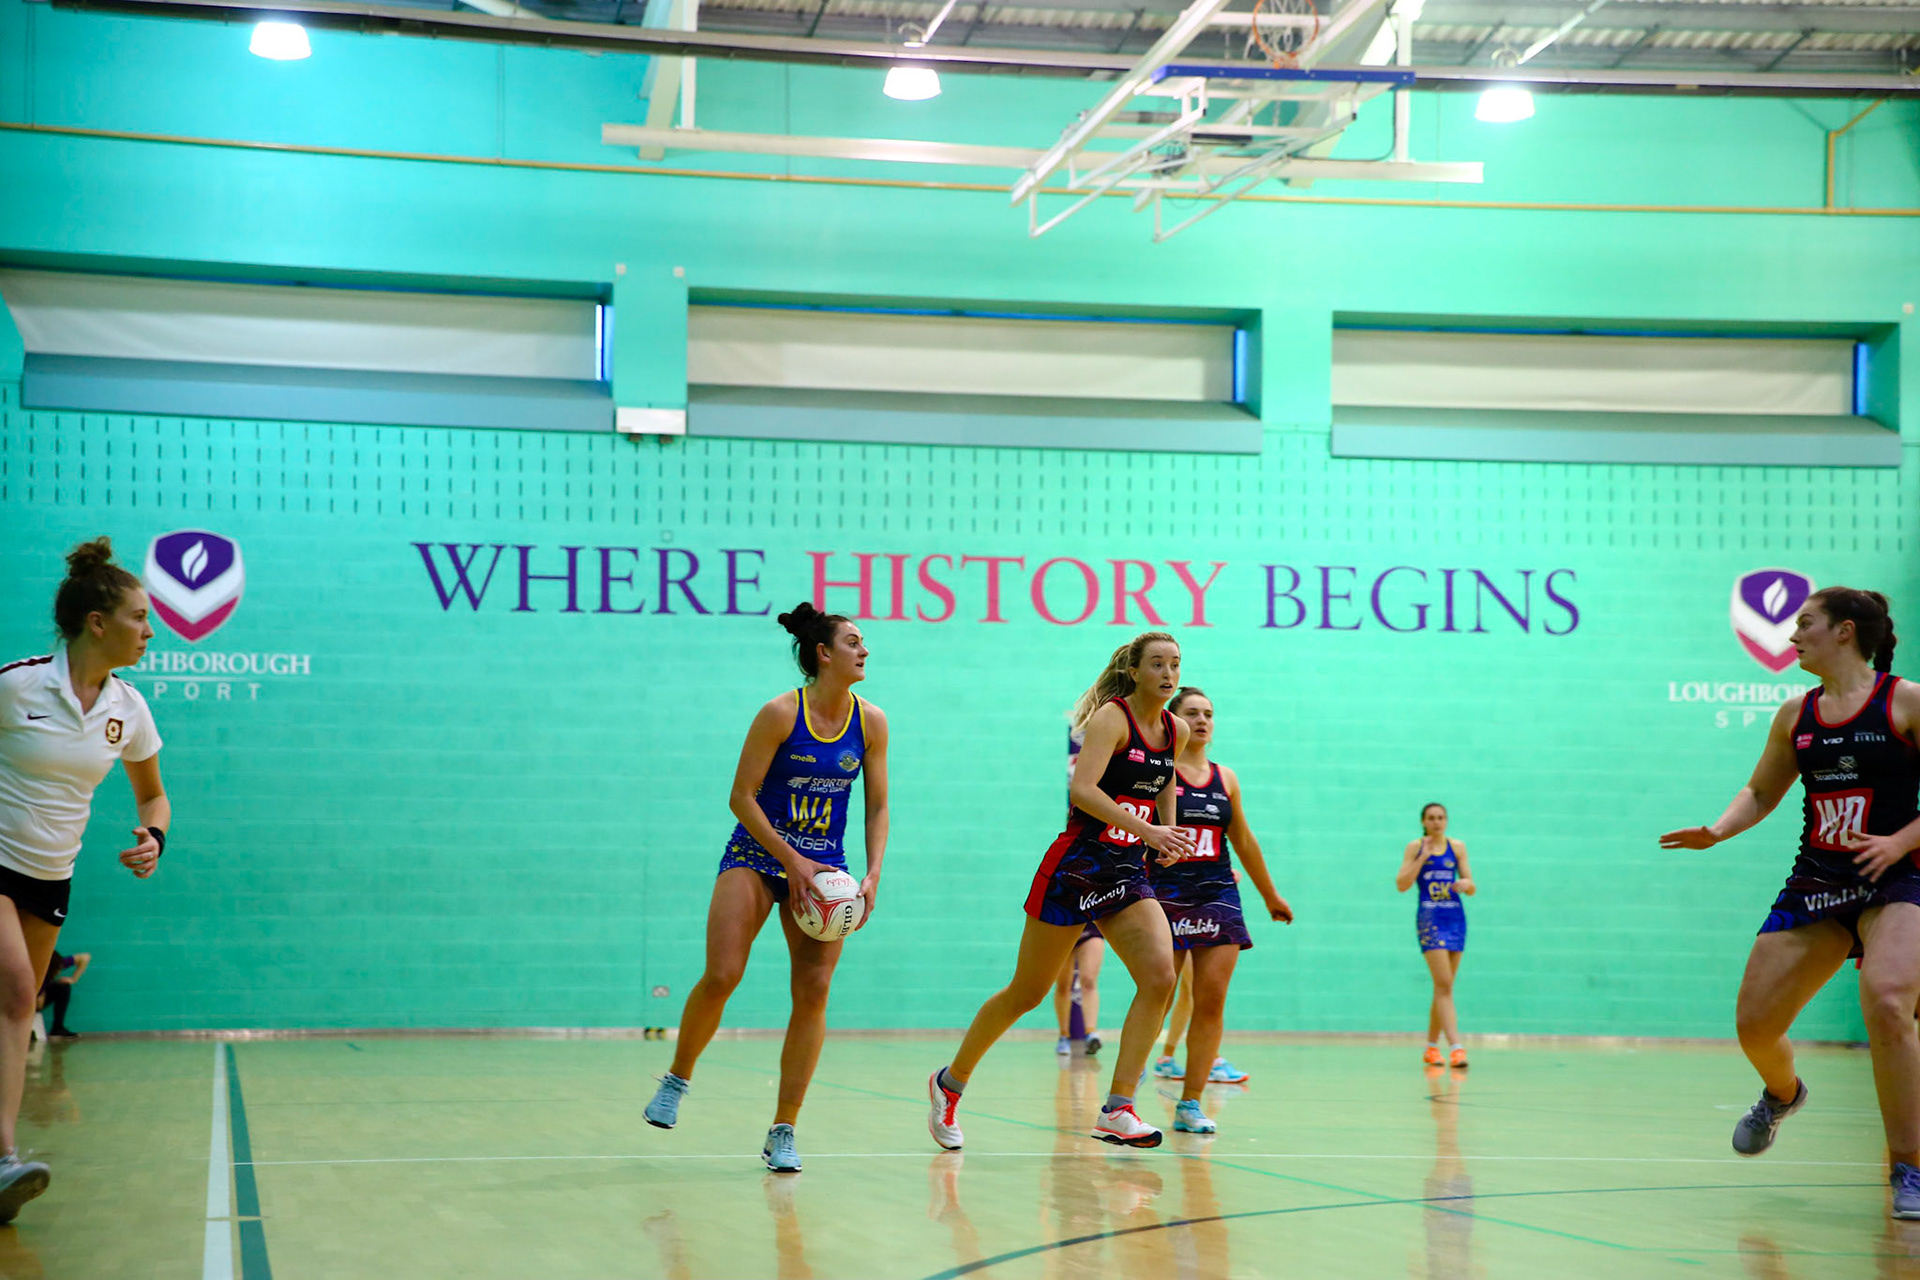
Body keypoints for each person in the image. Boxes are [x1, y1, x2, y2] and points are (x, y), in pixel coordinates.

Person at [1660, 587, 1920, 1218]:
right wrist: (1718, 830)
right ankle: (1782, 1094)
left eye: (1804, 623)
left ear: (1845, 632)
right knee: (1754, 1023)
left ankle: (1908, 1168)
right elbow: (1760, 790)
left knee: (1886, 1002)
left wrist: (1900, 841)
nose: (1791, 636)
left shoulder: (1905, 700)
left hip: (1898, 876)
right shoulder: (1794, 715)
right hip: (1818, 879)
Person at [644, 603, 890, 1174]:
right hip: (760, 853)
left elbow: (877, 805)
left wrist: (873, 872)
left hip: (826, 866)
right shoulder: (781, 713)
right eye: (854, 642)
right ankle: (677, 1079)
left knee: (813, 992)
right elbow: (741, 797)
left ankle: (784, 1129)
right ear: (823, 653)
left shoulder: (871, 722)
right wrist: (790, 859)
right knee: (724, 973)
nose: (865, 651)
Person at [929, 632, 1193, 1152]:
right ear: (1135, 672)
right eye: (1157, 664)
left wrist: (1169, 835)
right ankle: (949, 1083)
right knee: (1026, 992)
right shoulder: (1111, 719)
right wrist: (1149, 832)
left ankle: (1118, 1108)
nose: (1168, 673)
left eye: (1175, 665)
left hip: (1125, 871)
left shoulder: (1175, 729)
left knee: (1160, 975)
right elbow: (1083, 791)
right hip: (1075, 867)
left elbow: (1164, 784)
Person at [0, 538, 168, 1222]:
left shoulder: (128, 708)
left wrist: (153, 838)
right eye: (139, 617)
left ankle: (1, 1170)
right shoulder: (16, 686)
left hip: (50, 875)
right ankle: (4, 1153)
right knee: (14, 985)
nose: (151, 630)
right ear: (96, 622)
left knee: (18, 1009)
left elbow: (153, 796)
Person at [1144, 686, 1291, 1133]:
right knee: (1158, 994)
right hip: (1164, 894)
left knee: (1211, 999)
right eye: (1192, 713)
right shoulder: (1157, 772)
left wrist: (1270, 895)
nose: (1203, 720)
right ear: (1174, 720)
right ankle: (1122, 1099)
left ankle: (1190, 1104)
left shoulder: (1225, 778)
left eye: (1209, 713)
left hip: (1217, 893)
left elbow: (1243, 840)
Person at [1396, 803, 1475, 1068]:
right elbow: (1402, 884)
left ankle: (1431, 1047)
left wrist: (1466, 885)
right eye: (1431, 818)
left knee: (1445, 987)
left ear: (1447, 820)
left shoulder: (1458, 847)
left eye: (1441, 817)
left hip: (1455, 917)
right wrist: (1422, 857)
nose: (1437, 822)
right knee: (1443, 983)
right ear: (1423, 822)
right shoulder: (1415, 847)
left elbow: (1471, 885)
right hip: (1430, 919)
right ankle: (1456, 1046)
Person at [1053, 925, 1104, 1055]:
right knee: (1063, 985)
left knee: (1089, 980)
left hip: (1091, 928)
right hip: (1063, 927)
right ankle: (1064, 1036)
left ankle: (1091, 1033)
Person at [36, 953, 88, 1041]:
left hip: (40, 995)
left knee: (63, 987)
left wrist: (73, 979)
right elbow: (38, 1004)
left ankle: (58, 1028)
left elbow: (85, 957)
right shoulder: (40, 974)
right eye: (58, 969)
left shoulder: (57, 964)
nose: (60, 972)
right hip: (28, 1001)